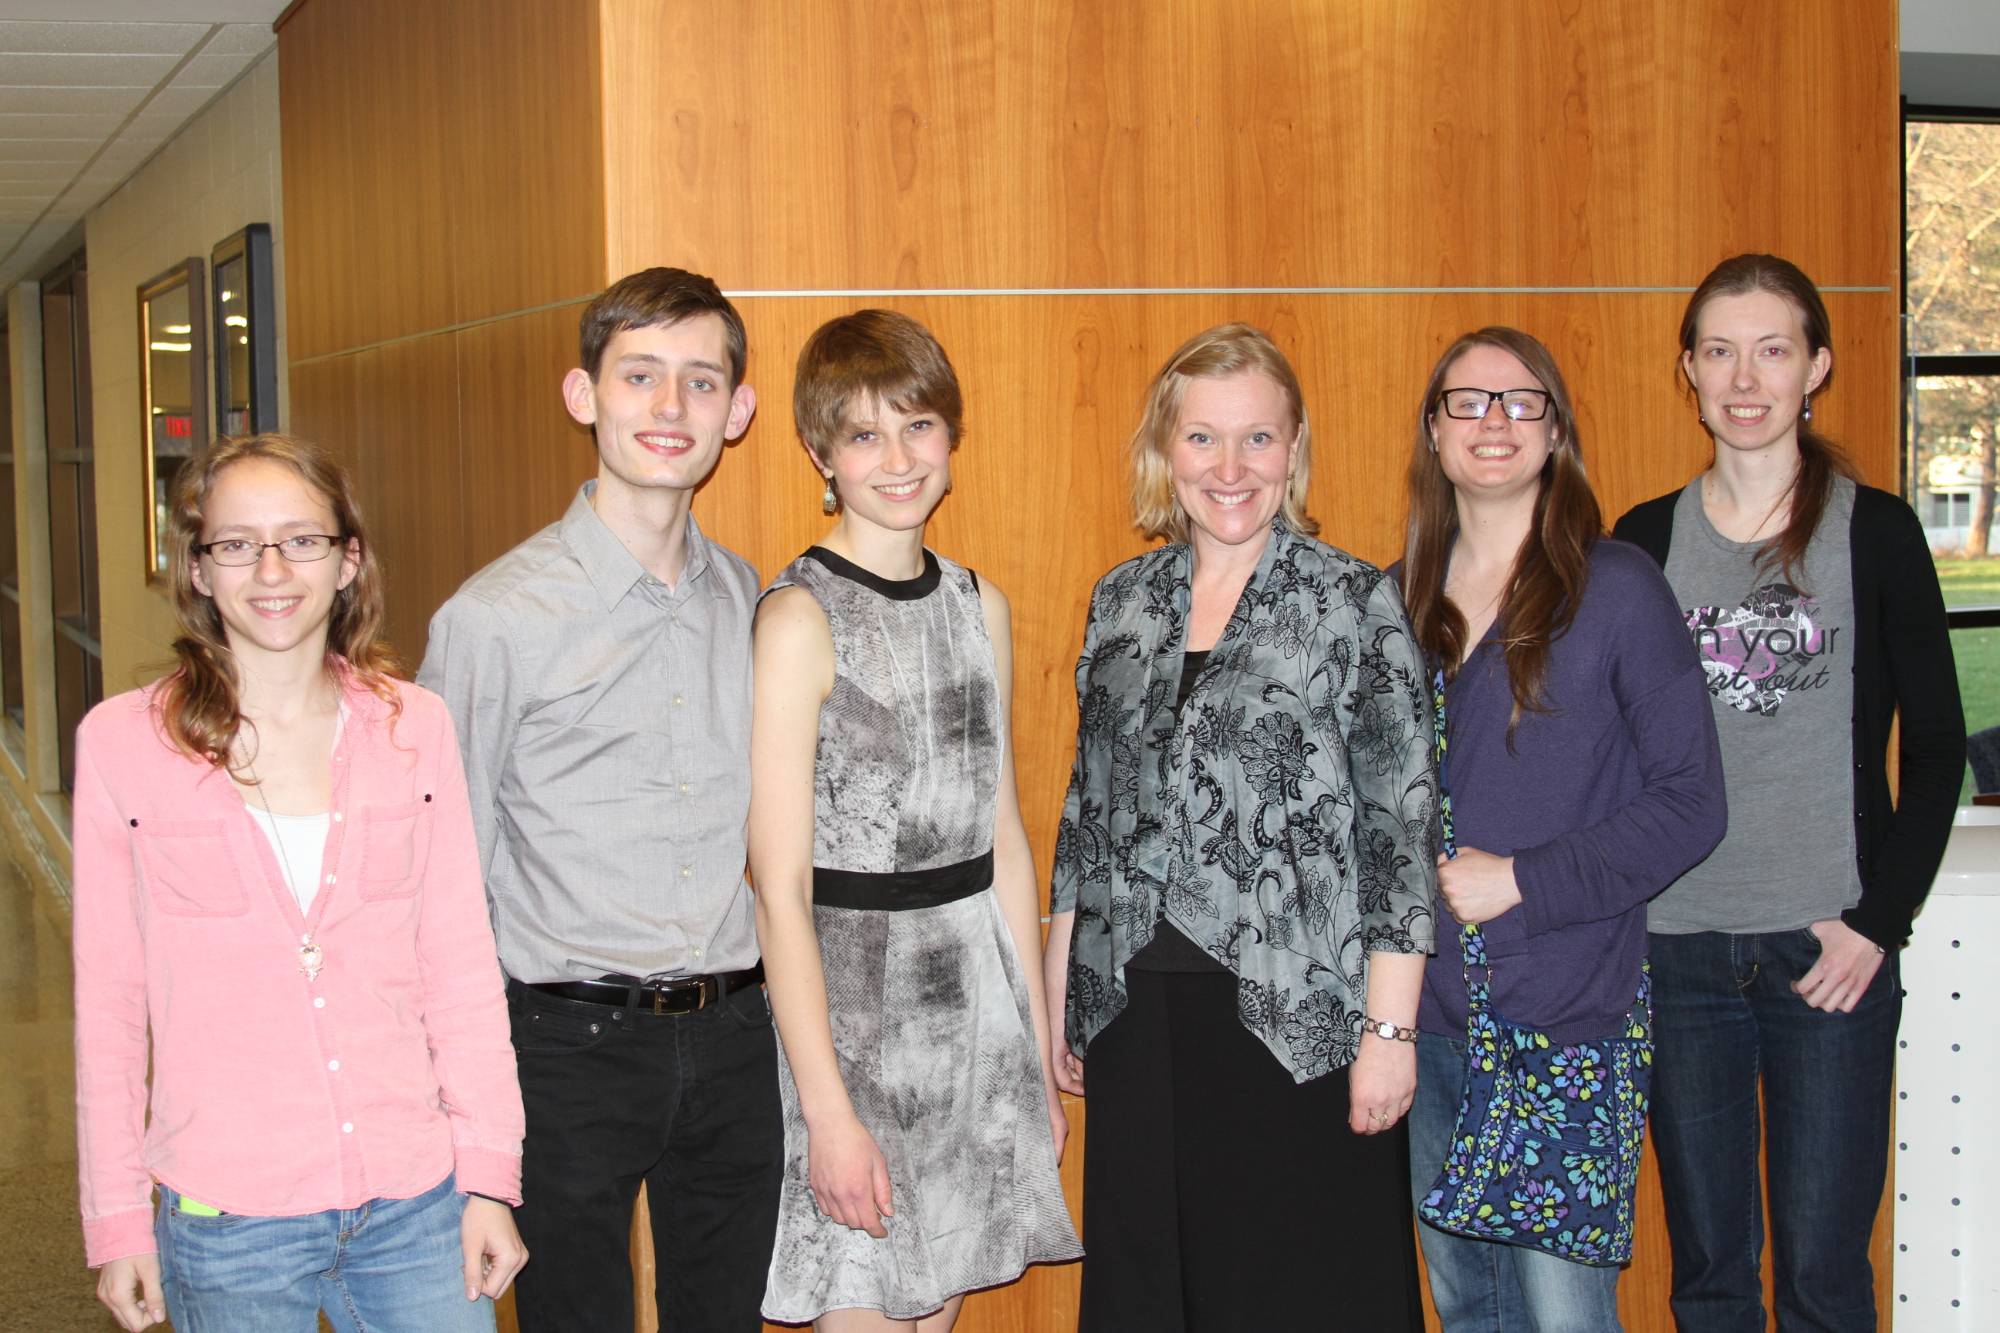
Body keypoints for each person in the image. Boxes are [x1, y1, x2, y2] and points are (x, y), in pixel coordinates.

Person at [72, 433, 527, 1332]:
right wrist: (118, 1219)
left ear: (348, 559)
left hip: (415, 1201)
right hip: (229, 1210)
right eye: (236, 543)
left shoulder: (414, 729)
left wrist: (488, 1175)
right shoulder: (123, 744)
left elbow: (460, 968)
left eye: (302, 539)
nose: (271, 569)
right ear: (198, 570)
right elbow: (112, 1006)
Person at [1045, 323, 1436, 1332]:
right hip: (1134, 1013)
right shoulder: (1121, 603)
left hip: (1293, 1021)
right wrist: (1061, 1003)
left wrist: (1388, 1034)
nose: (1229, 468)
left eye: (1256, 439)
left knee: (1295, 1290)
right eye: (1203, 439)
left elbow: (1398, 834)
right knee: (1151, 1292)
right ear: (1163, 451)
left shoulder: (1351, 601)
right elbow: (1083, 822)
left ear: (1294, 448)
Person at [418, 267, 781, 1331]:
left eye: (700, 382)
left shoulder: (748, 597)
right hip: (561, 1043)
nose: (670, 409)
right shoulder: (493, 619)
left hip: (730, 1036)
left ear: (737, 412)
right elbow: (440, 878)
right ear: (583, 395)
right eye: (639, 376)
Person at [1612, 253, 1966, 1330]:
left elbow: (1938, 743)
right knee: (1711, 1274)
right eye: (1718, 351)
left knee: (1823, 1273)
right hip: (1676, 952)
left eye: (1771, 349)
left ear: (1814, 366)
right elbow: (1602, 756)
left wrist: (1876, 923)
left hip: (1830, 958)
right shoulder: (1639, 542)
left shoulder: (1876, 531)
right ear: (1687, 370)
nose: (1744, 376)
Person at [750, 309, 1081, 1331]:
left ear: (950, 437)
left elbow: (1006, 844)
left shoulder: (978, 603)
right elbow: (776, 887)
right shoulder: (798, 617)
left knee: (934, 1312)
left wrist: (1031, 1044)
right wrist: (827, 1110)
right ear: (819, 454)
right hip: (853, 1023)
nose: (896, 459)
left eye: (917, 426)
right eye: (861, 434)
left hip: (973, 1013)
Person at [1397, 328, 1726, 1330]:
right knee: (1466, 1309)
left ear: (1553, 433)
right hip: (1424, 1017)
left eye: (1519, 402)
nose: (1492, 422)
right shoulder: (1391, 600)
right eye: (1468, 401)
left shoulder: (1614, 586)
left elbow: (1690, 802)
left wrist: (1524, 878)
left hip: (1563, 1017)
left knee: (1561, 1314)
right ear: (1433, 432)